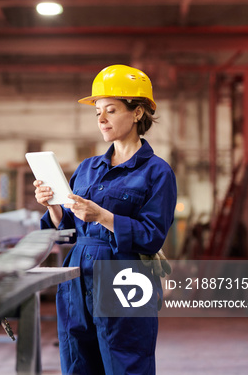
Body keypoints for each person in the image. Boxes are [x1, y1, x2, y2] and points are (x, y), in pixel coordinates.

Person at [34, 64, 177, 375]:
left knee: (126, 365)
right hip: (76, 281)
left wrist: (103, 216)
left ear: (138, 112)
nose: (101, 119)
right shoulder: (87, 169)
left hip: (124, 280)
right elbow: (69, 232)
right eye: (97, 111)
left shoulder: (157, 172)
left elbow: (152, 236)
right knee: (77, 364)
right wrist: (53, 206)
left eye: (111, 110)